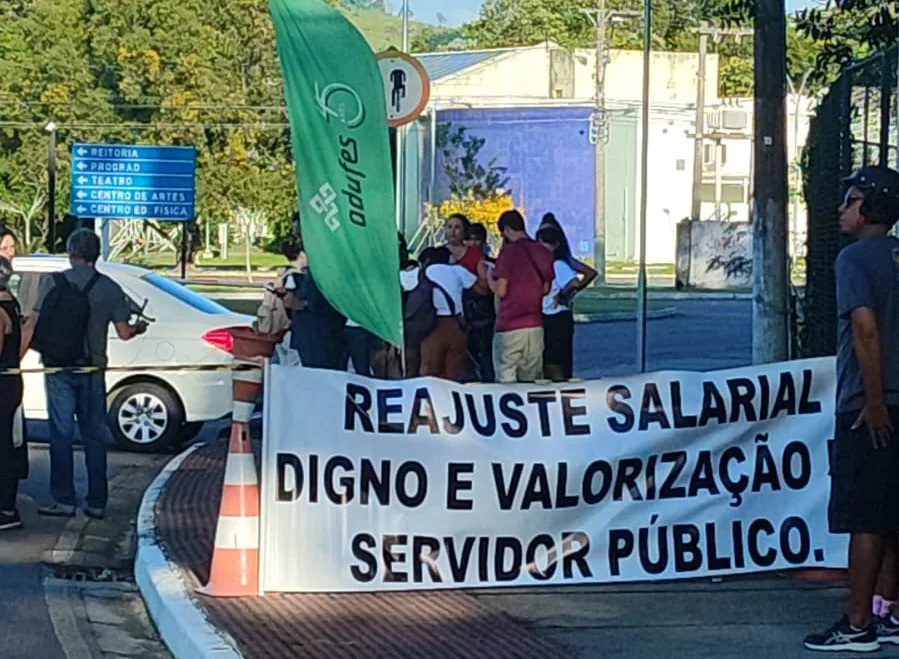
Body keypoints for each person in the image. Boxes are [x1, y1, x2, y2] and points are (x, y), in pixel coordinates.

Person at [803, 166, 899, 653]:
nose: (842, 209)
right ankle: (891, 609)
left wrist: (875, 401)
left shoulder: (853, 260)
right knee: (894, 515)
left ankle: (858, 622)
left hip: (870, 407)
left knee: (866, 516)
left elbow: (865, 329)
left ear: (868, 210)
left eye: (850, 200)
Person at [28, 229, 147, 519]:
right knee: (94, 435)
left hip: (57, 367)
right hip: (93, 368)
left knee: (61, 433)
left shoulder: (52, 283)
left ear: (70, 252)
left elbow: (34, 320)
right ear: (97, 254)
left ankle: (63, 499)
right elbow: (124, 332)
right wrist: (139, 327)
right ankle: (96, 501)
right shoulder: (109, 288)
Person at [488, 210, 555, 384]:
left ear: (507, 230)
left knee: (506, 377)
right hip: (535, 326)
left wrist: (489, 277)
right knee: (531, 382)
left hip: (509, 325)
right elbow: (545, 289)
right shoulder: (544, 252)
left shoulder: (508, 253)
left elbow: (501, 290)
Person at [537, 226, 589, 382]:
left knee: (554, 363)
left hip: (556, 317)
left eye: (546, 244)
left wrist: (562, 293)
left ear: (555, 245)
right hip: (548, 316)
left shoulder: (558, 264)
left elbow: (574, 282)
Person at [419, 246, 476, 381]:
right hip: (455, 323)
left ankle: (431, 401)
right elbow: (479, 287)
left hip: (430, 324)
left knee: (430, 371)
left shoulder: (423, 272)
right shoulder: (457, 270)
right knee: (455, 371)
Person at [0, 255, 27, 530]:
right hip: (11, 382)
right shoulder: (12, 303)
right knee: (7, 443)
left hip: (2, 385)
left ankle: (5, 509)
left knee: (3, 447)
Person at [463, 222, 496, 382]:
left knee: (485, 358)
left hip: (485, 318)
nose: (472, 243)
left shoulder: (491, 264)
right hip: (464, 318)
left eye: (477, 239)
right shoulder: (456, 263)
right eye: (469, 239)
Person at [539, 212, 598, 286]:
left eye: (549, 239)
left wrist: (565, 294)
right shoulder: (565, 259)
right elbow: (590, 273)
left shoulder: (560, 262)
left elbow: (589, 273)